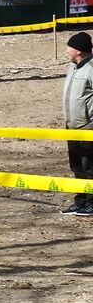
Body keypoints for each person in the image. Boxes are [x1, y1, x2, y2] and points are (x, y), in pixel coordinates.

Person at [61, 32, 93, 216]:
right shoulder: (72, 68)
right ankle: (79, 201)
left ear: (79, 50)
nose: (66, 50)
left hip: (88, 128)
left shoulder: (91, 68)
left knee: (89, 166)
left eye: (69, 47)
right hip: (71, 126)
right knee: (76, 166)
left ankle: (91, 202)